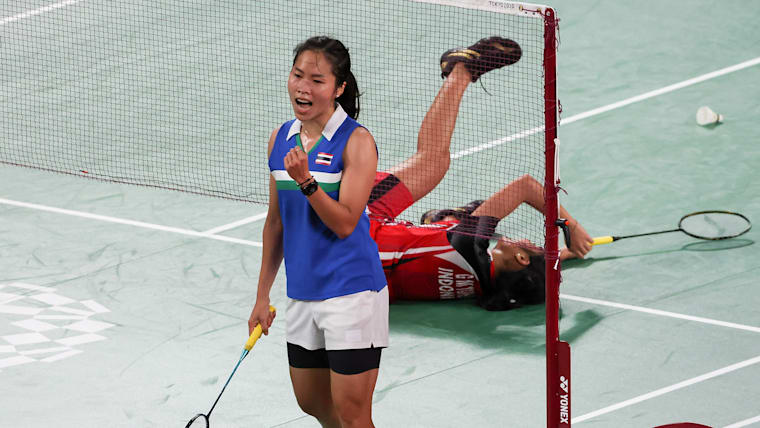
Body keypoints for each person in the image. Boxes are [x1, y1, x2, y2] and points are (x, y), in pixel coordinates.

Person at [366, 36, 594, 311]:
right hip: (360, 279)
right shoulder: (489, 287)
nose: (526, 241)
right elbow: (526, 273)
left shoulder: (469, 243)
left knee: (433, 162)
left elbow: (526, 187)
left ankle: (462, 69)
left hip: (357, 229)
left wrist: (571, 227)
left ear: (521, 259)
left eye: (531, 246)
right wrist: (561, 255)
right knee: (458, 227)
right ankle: (445, 220)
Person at [247, 36, 387, 428]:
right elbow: (276, 223)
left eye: (317, 80)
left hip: (352, 292)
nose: (303, 87)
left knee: (353, 414)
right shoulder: (281, 138)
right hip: (302, 292)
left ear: (339, 88)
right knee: (313, 403)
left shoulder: (356, 141)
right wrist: (262, 296)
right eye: (297, 75)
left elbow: (345, 223)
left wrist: (307, 182)